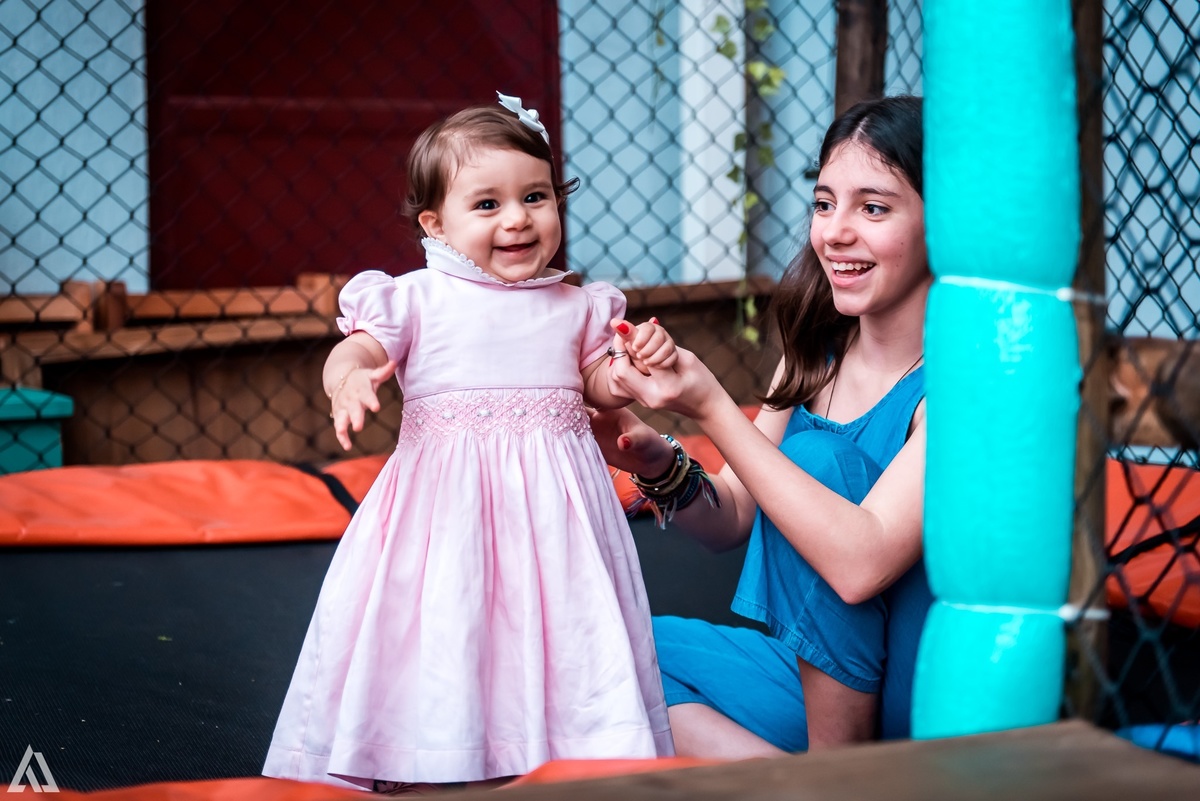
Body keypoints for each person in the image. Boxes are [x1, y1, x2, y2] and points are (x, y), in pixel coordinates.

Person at [263, 93, 677, 793]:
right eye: (487, 204)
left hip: (557, 526)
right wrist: (348, 379)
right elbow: (358, 350)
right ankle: (439, 765)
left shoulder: (577, 306)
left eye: (535, 197)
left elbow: (598, 383)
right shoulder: (415, 299)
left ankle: (557, 759)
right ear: (436, 224)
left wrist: (632, 368)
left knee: (562, 635)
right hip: (446, 523)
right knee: (448, 632)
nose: (517, 218)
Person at [594, 95, 931, 757]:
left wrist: (711, 406)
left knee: (816, 462)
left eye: (873, 208)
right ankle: (799, 783)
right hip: (815, 678)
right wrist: (657, 462)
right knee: (609, 649)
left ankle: (839, 772)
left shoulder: (959, 387)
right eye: (824, 203)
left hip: (914, 694)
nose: (835, 232)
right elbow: (734, 517)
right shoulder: (816, 355)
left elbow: (860, 564)